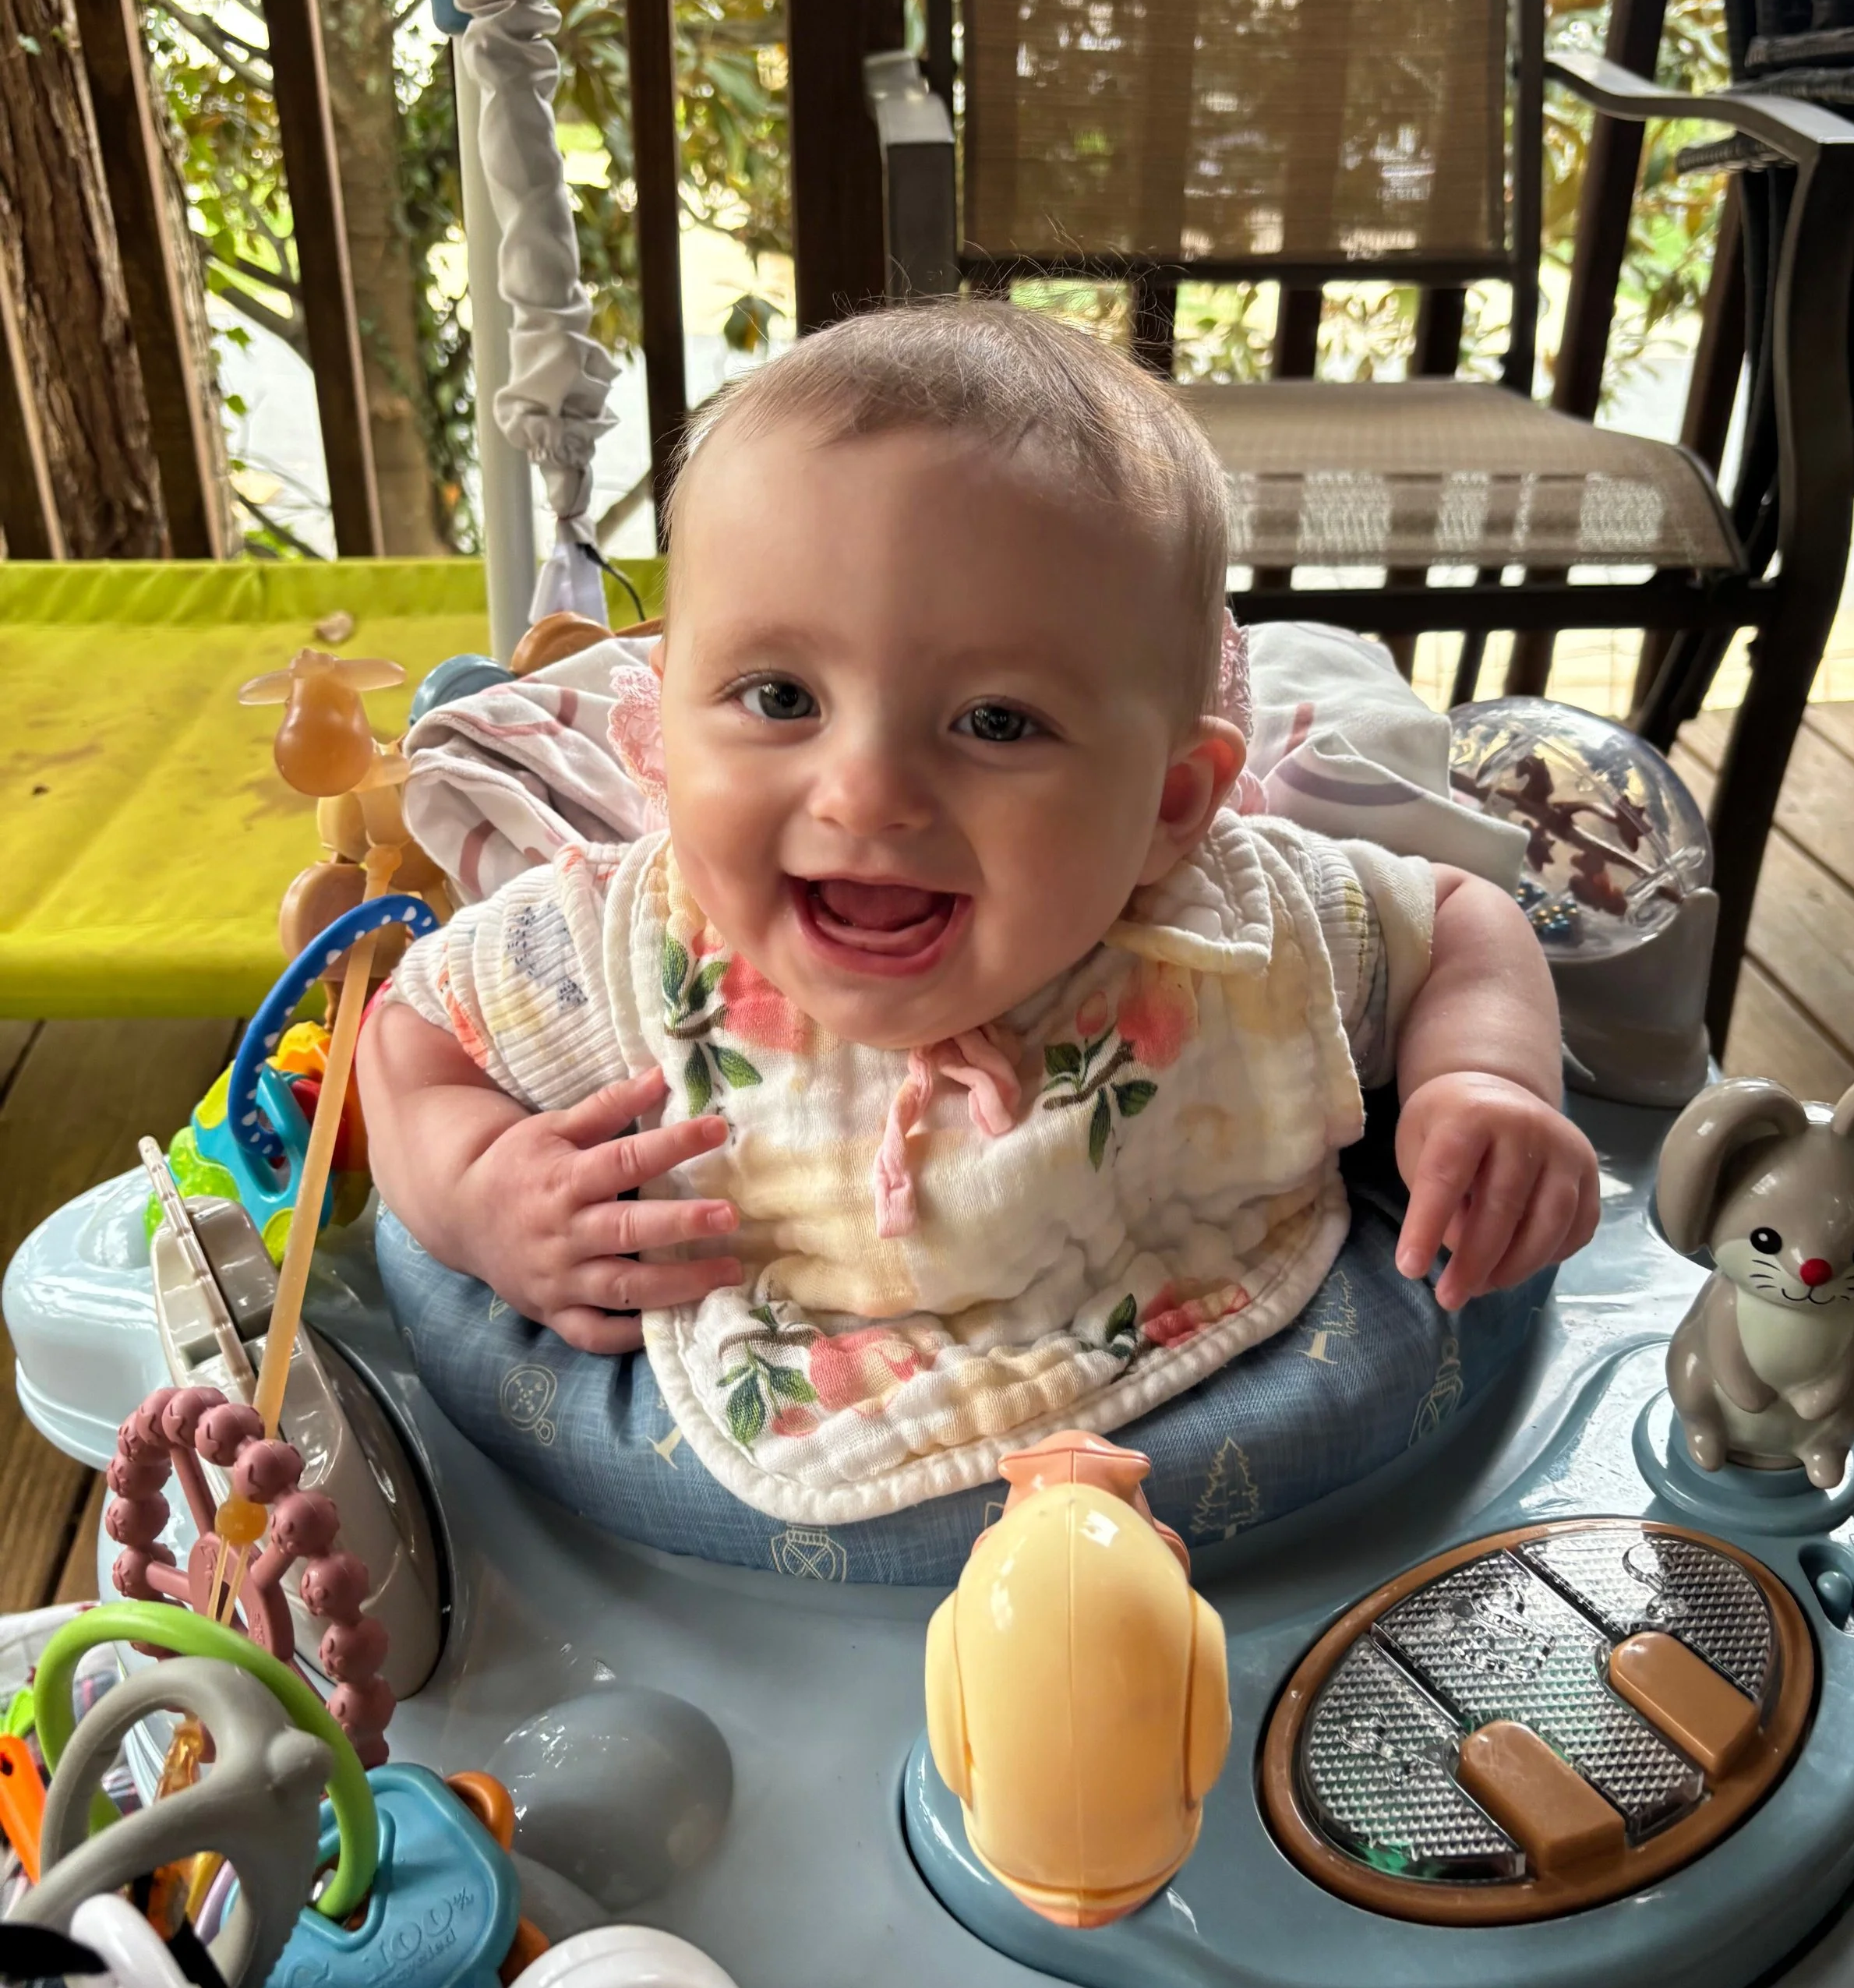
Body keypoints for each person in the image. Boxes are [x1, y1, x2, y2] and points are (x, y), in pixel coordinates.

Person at [359, 302, 1597, 1574]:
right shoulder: (628, 947)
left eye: (996, 722)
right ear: (664, 727)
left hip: (1284, 1538)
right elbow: (408, 1031)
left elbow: (1459, 922)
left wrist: (1484, 1081)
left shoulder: (1235, 936)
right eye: (780, 697)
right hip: (696, 1574)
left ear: (1169, 807)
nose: (866, 793)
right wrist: (480, 1193)